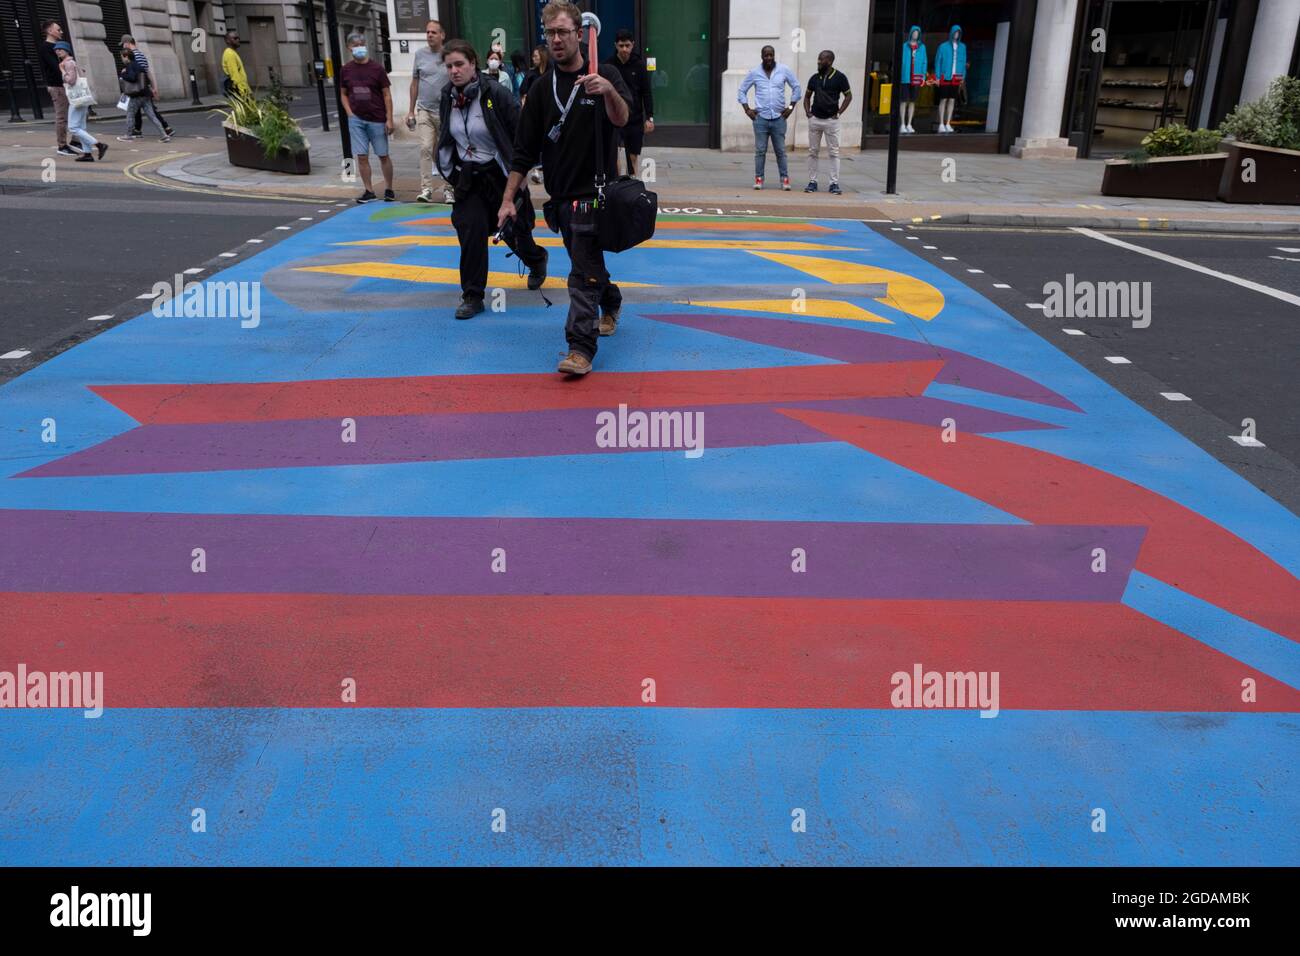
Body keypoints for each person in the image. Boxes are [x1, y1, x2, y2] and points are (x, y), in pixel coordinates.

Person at [498, 0, 632, 377]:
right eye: (550, 33)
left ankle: (580, 347)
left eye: (563, 32)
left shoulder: (603, 75)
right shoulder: (541, 90)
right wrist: (509, 199)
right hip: (561, 200)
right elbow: (523, 152)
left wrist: (607, 91)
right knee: (586, 264)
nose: (556, 39)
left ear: (579, 33)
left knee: (580, 272)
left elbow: (623, 118)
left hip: (598, 194)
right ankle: (611, 298)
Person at [434, 40, 548, 320]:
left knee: (513, 233)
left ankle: (536, 259)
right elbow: (448, 137)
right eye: (449, 66)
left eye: (459, 64)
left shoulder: (495, 93)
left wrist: (521, 173)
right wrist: (449, 170)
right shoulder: (447, 97)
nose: (454, 71)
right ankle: (473, 296)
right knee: (470, 228)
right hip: (470, 176)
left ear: (474, 64)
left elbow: (522, 135)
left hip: (501, 176)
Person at [340, 32, 395, 203]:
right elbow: (343, 94)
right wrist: (349, 113)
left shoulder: (377, 69)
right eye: (355, 45)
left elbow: (387, 94)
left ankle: (389, 188)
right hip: (356, 119)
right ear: (349, 48)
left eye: (362, 44)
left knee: (383, 155)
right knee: (361, 156)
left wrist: (389, 118)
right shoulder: (346, 70)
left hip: (377, 118)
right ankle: (369, 191)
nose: (359, 47)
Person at [737, 45, 800, 190]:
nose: (769, 58)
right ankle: (759, 179)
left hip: (779, 118)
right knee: (760, 151)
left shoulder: (783, 70)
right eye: (766, 55)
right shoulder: (754, 72)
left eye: (771, 55)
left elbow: (796, 87)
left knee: (781, 151)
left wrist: (790, 107)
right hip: (761, 119)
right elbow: (741, 91)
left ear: (774, 55)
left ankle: (784, 179)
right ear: (762, 56)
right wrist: (747, 109)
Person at [407, 19, 451, 204]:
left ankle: (449, 188)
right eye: (427, 32)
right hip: (424, 109)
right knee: (425, 147)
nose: (430, 35)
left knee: (444, 152)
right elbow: (415, 83)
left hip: (445, 111)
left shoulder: (448, 54)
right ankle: (426, 189)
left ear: (442, 35)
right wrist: (411, 111)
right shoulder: (419, 55)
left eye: (434, 32)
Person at [603, 29, 654, 179]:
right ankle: (617, 184)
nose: (624, 49)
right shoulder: (608, 65)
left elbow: (646, 92)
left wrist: (649, 117)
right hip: (613, 117)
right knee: (614, 155)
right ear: (616, 46)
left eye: (627, 45)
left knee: (632, 155)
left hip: (634, 117)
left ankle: (632, 182)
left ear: (632, 45)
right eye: (621, 46)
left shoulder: (639, 65)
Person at [802, 50, 851, 194]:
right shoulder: (814, 78)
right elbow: (807, 97)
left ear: (829, 61)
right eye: (818, 59)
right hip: (815, 119)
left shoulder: (840, 77)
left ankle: (834, 184)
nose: (818, 62)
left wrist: (839, 112)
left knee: (834, 153)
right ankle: (812, 182)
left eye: (820, 59)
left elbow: (848, 96)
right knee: (813, 152)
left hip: (831, 120)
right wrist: (808, 113)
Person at [53, 42, 106, 162]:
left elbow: (71, 81)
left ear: (67, 50)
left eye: (61, 49)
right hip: (82, 98)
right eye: (56, 49)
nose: (58, 51)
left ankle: (99, 145)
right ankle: (87, 154)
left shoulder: (68, 64)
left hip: (76, 99)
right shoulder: (72, 62)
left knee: (73, 127)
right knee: (82, 127)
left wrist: (62, 70)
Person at [121, 35, 174, 138]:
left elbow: (135, 76)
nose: (123, 46)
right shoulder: (141, 55)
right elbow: (147, 72)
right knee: (147, 111)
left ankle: (165, 128)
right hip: (145, 88)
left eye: (123, 44)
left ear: (127, 43)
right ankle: (140, 130)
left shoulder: (133, 56)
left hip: (138, 89)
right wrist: (154, 87)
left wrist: (124, 74)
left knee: (138, 111)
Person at [39, 21, 75, 156]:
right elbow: (56, 66)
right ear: (50, 31)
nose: (61, 32)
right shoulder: (46, 48)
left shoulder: (59, 46)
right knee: (62, 117)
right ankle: (62, 146)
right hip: (56, 86)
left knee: (75, 113)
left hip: (66, 84)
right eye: (58, 30)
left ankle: (76, 141)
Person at [934, 25, 966, 134]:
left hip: (956, 77)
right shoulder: (943, 46)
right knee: (943, 99)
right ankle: (941, 124)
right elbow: (938, 62)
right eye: (955, 32)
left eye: (958, 33)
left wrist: (962, 77)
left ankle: (948, 123)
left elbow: (963, 63)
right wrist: (937, 77)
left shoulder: (962, 47)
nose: (956, 35)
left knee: (952, 100)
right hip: (944, 76)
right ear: (951, 33)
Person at [899, 25, 927, 134]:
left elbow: (924, 62)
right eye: (914, 32)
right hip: (905, 77)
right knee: (903, 101)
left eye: (917, 33)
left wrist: (923, 76)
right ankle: (902, 124)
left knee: (912, 102)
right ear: (911, 33)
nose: (916, 34)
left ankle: (909, 123)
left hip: (916, 78)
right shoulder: (904, 46)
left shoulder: (922, 47)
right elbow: (899, 61)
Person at [221, 30, 251, 98]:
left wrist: (248, 90)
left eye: (238, 38)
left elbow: (241, 74)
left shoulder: (233, 53)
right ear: (227, 41)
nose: (238, 40)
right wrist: (243, 93)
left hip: (242, 89)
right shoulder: (229, 54)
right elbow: (235, 76)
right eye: (235, 38)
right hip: (240, 91)